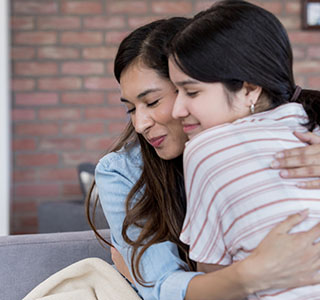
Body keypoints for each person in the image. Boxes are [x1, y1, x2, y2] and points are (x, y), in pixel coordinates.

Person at [88, 15, 320, 300]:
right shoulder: (123, 171)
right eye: (131, 108)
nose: (140, 124)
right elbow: (161, 287)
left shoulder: (295, 130)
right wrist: (252, 274)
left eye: (152, 102)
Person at [168, 0, 320, 298]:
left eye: (192, 91)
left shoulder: (206, 149)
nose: (177, 109)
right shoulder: (310, 123)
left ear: (250, 89)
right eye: (176, 91)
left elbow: (214, 281)